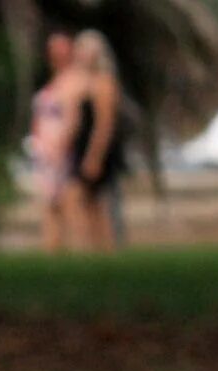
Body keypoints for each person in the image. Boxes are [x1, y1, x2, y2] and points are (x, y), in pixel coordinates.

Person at [62, 30, 126, 252]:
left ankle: (95, 249)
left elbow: (104, 125)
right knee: (92, 205)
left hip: (96, 151)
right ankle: (97, 252)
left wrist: (94, 157)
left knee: (77, 198)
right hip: (82, 148)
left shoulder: (104, 82)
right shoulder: (84, 83)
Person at [28, 32, 81, 252]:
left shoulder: (75, 81)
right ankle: (51, 249)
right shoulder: (50, 82)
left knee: (69, 203)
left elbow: (74, 118)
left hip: (64, 149)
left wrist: (63, 146)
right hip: (44, 150)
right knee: (49, 204)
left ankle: (76, 250)